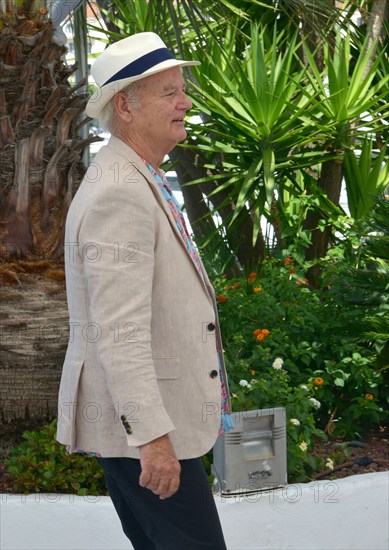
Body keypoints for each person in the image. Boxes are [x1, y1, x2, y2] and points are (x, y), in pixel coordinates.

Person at [56, 32, 232, 550]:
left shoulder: (136, 176)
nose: (186, 102)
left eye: (182, 89)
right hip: (150, 436)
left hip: (150, 430)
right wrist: (154, 440)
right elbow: (119, 332)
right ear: (125, 108)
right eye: (169, 93)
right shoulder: (119, 194)